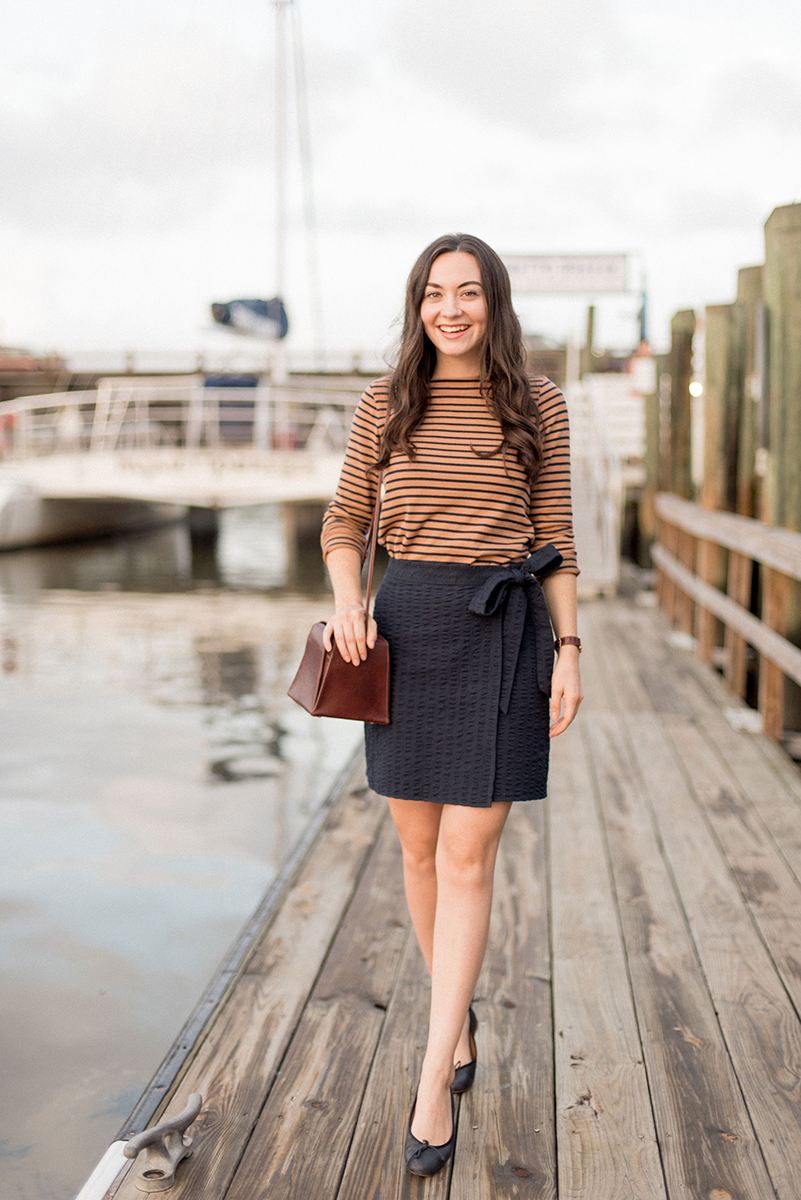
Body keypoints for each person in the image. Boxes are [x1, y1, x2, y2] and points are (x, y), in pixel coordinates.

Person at [320, 233, 582, 1177]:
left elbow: (554, 534)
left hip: (505, 632)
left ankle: (432, 1077)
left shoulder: (538, 405)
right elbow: (344, 524)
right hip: (407, 628)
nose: (452, 309)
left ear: (493, 303)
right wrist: (350, 602)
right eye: (435, 293)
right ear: (417, 306)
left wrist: (570, 651)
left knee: (469, 856)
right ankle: (455, 1020)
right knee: (418, 850)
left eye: (468, 292)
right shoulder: (386, 404)